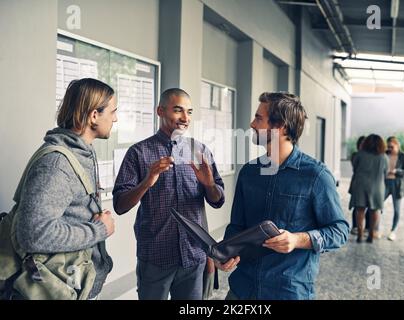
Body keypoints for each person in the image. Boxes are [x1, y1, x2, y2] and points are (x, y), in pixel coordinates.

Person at [215, 92, 349, 300]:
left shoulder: (316, 175)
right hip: (242, 290)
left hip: (287, 291)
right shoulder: (249, 173)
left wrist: (298, 239)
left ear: (282, 127)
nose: (252, 124)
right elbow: (237, 226)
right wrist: (226, 253)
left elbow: (340, 231)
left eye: (259, 118)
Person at [112, 88, 225, 300]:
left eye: (189, 112)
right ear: (160, 111)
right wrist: (147, 181)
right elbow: (120, 205)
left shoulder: (200, 151)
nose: (185, 118)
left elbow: (218, 200)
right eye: (178, 110)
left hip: (193, 256)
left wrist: (209, 185)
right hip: (155, 257)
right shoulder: (138, 152)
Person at [14, 78, 117, 299]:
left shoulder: (83, 152)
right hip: (57, 289)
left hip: (78, 284)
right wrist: (99, 230)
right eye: (113, 111)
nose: (115, 118)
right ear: (94, 116)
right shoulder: (56, 164)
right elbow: (32, 234)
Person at [349, 134, 388, 243]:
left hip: (360, 185)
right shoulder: (383, 157)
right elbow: (386, 171)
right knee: (375, 210)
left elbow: (355, 168)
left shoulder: (359, 155)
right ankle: (371, 234)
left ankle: (360, 236)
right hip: (377, 187)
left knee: (360, 210)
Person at [385, 136, 404, 241]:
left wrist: (396, 171)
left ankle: (393, 231)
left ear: (397, 145)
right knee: (376, 205)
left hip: (397, 184)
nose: (390, 148)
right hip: (385, 183)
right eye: (388, 146)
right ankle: (374, 229)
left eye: (391, 146)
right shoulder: (385, 154)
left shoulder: (403, 156)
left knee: (397, 209)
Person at [349, 136, 370, 235]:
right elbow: (355, 167)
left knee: (368, 206)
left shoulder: (369, 155)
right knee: (357, 205)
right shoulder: (355, 155)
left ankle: (367, 227)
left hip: (367, 183)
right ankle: (355, 226)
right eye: (361, 143)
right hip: (357, 182)